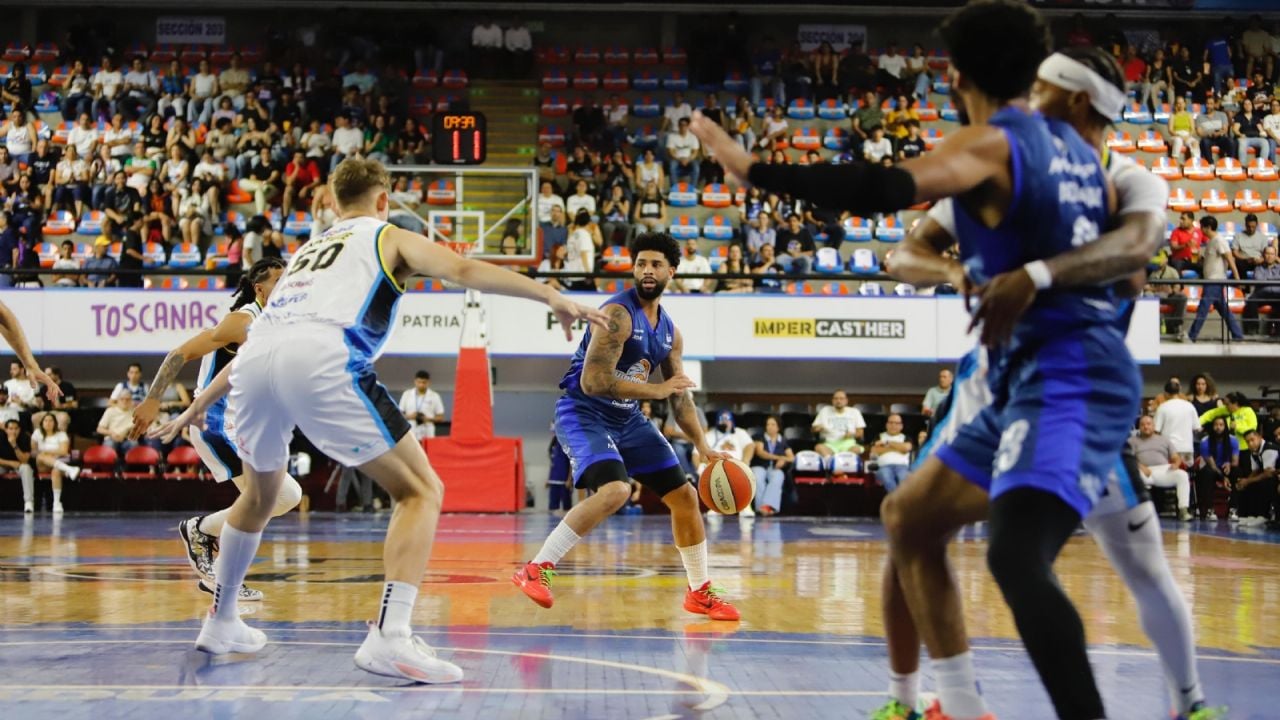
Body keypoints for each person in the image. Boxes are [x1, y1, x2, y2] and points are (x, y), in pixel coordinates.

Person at [152, 158, 606, 680]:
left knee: (257, 497)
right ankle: (390, 636)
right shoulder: (385, 235)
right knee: (422, 490)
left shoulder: (305, 253)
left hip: (254, 365)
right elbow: (460, 270)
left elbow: (260, 343)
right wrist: (550, 295)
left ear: (330, 200)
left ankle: (222, 618)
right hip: (322, 355)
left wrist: (195, 406)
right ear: (384, 199)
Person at [871, 45, 1222, 720]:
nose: (1027, 99)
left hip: (1076, 387)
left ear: (1079, 100)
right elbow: (905, 250)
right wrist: (952, 272)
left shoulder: (1128, 180)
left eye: (1041, 87)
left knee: (1136, 562)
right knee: (911, 523)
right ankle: (928, 701)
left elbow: (1136, 251)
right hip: (997, 383)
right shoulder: (1005, 163)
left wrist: (1035, 275)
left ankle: (1191, 701)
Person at [513, 230, 741, 623]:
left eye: (655, 264)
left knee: (685, 498)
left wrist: (703, 445)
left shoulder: (670, 332)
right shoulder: (617, 314)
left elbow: (680, 396)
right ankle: (536, 568)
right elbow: (593, 382)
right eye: (640, 263)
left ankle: (700, 592)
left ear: (672, 271)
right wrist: (656, 389)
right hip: (583, 411)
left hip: (627, 417)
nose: (647, 271)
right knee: (617, 489)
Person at [129, 258, 298, 602]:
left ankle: (205, 537)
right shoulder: (242, 320)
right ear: (259, 288)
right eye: (279, 280)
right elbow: (182, 352)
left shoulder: (276, 325)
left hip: (245, 426)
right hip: (216, 423)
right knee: (263, 501)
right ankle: (214, 562)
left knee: (286, 496)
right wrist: (152, 399)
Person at [1186, 215, 1244, 343]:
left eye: (1202, 227)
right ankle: (1238, 335)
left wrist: (1237, 278)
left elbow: (1230, 259)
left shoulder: (1219, 240)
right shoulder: (1211, 242)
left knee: (1203, 308)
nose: (1200, 230)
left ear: (1208, 227)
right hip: (1212, 280)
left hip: (1214, 281)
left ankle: (1191, 335)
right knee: (1224, 310)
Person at [1131, 414, 1193, 521]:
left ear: (1154, 426)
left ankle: (1183, 510)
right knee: (1134, 475)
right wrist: (1141, 467)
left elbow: (1175, 457)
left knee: (1182, 475)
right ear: (1139, 427)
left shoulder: (1164, 440)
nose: (1146, 427)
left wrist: (1176, 464)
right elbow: (1128, 458)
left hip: (1163, 470)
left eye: (1148, 424)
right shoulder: (1132, 441)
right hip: (1143, 470)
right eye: (1143, 425)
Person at [31, 413, 79, 515]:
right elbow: (34, 451)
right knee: (40, 456)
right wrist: (50, 453)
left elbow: (64, 451)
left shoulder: (61, 434)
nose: (48, 423)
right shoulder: (37, 433)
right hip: (42, 464)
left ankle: (57, 503)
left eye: (51, 421)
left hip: (58, 462)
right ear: (42, 423)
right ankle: (69, 469)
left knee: (56, 471)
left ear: (55, 423)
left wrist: (47, 452)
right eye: (46, 421)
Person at [1196, 416, 1238, 521]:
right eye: (1216, 425)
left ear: (1225, 426)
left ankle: (1233, 509)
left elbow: (1235, 462)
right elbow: (1212, 465)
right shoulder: (1205, 441)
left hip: (1226, 468)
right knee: (1207, 473)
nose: (1218, 427)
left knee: (1237, 472)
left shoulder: (1233, 440)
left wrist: (1229, 463)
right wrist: (1223, 478)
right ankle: (1210, 510)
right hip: (1212, 469)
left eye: (1221, 425)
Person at [751, 415, 792, 516]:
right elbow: (761, 453)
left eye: (773, 424)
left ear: (778, 427)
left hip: (774, 468)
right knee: (757, 477)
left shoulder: (782, 440)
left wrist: (784, 461)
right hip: (760, 465)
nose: (770, 426)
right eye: (768, 424)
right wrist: (779, 458)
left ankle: (767, 506)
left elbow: (791, 457)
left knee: (778, 476)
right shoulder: (759, 437)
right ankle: (761, 508)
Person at [1154, 380, 1201, 465]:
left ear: (1166, 393)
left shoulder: (1162, 407)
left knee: (1170, 474)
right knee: (1185, 475)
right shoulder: (1189, 406)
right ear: (1179, 392)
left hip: (1169, 448)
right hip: (1187, 447)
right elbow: (1197, 428)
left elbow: (1156, 430)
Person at [811, 390, 865, 458]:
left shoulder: (854, 412)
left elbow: (860, 433)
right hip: (829, 443)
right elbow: (813, 429)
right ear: (832, 400)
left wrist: (852, 434)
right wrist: (817, 428)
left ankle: (843, 460)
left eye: (841, 398)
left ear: (846, 401)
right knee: (819, 447)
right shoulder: (825, 410)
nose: (838, 401)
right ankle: (830, 462)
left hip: (848, 443)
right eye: (836, 398)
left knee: (856, 449)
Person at [871, 414, 913, 493]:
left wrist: (887, 443)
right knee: (886, 477)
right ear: (886, 425)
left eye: (897, 423)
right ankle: (896, 501)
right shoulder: (879, 436)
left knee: (904, 479)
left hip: (902, 467)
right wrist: (898, 448)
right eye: (891, 422)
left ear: (901, 426)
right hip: (884, 467)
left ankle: (895, 502)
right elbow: (875, 451)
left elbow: (907, 448)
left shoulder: (906, 437)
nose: (893, 425)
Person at [399, 370, 445, 441]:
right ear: (415, 381)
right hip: (411, 431)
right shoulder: (407, 394)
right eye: (419, 382)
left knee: (427, 451)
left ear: (428, 382)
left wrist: (428, 419)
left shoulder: (435, 396)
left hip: (427, 432)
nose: (421, 385)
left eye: (424, 382)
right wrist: (410, 416)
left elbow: (440, 417)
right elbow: (399, 415)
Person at [1, 418, 35, 513]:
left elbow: (24, 460)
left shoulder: (25, 437)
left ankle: (28, 502)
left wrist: (14, 445)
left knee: (26, 468)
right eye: (10, 428)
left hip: (20, 465)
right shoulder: (0, 436)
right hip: (3, 464)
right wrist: (10, 463)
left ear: (19, 429)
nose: (13, 431)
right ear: (6, 429)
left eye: (16, 429)